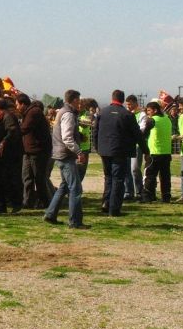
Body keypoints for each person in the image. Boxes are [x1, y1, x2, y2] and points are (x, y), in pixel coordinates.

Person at [94, 89, 149, 217]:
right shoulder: (127, 115)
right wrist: (146, 151)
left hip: (104, 150)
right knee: (118, 179)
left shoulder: (102, 112)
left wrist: (98, 148)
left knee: (108, 178)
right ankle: (114, 209)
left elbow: (96, 131)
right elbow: (137, 135)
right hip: (120, 151)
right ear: (123, 100)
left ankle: (106, 203)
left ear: (112, 98)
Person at [43, 89, 89, 228]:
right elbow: (67, 138)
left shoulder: (62, 112)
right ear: (74, 100)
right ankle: (75, 221)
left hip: (60, 153)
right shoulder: (68, 114)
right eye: (79, 100)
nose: (80, 103)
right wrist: (79, 152)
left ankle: (50, 214)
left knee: (64, 187)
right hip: (66, 155)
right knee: (75, 188)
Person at [16, 94, 52, 209]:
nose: (16, 107)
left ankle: (44, 201)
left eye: (17, 104)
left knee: (38, 178)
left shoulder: (34, 112)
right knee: (27, 177)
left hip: (38, 151)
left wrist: (10, 132)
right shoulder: (28, 113)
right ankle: (28, 201)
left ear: (22, 104)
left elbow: (24, 128)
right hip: (29, 151)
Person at [0, 98, 23, 214]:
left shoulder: (8, 117)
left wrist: (2, 143)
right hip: (3, 156)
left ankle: (13, 204)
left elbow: (12, 131)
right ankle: (1, 205)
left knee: (4, 180)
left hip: (8, 155)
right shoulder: (0, 118)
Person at [141, 101, 172, 203]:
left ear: (155, 110)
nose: (147, 112)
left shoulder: (152, 120)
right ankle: (166, 196)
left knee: (149, 175)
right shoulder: (167, 119)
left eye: (149, 110)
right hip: (166, 152)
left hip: (154, 152)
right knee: (165, 176)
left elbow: (144, 134)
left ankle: (147, 196)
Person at [123, 95, 147, 201]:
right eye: (126, 104)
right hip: (126, 145)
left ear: (135, 103)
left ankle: (139, 191)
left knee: (135, 169)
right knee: (126, 169)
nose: (128, 106)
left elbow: (142, 129)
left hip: (136, 146)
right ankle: (128, 191)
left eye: (129, 104)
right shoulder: (126, 114)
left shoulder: (141, 114)